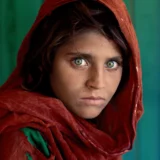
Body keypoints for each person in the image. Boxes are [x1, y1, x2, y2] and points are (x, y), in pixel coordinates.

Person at [0, 0, 143, 159]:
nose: (98, 83)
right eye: (79, 61)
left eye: (111, 64)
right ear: (46, 61)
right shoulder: (22, 138)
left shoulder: (102, 135)